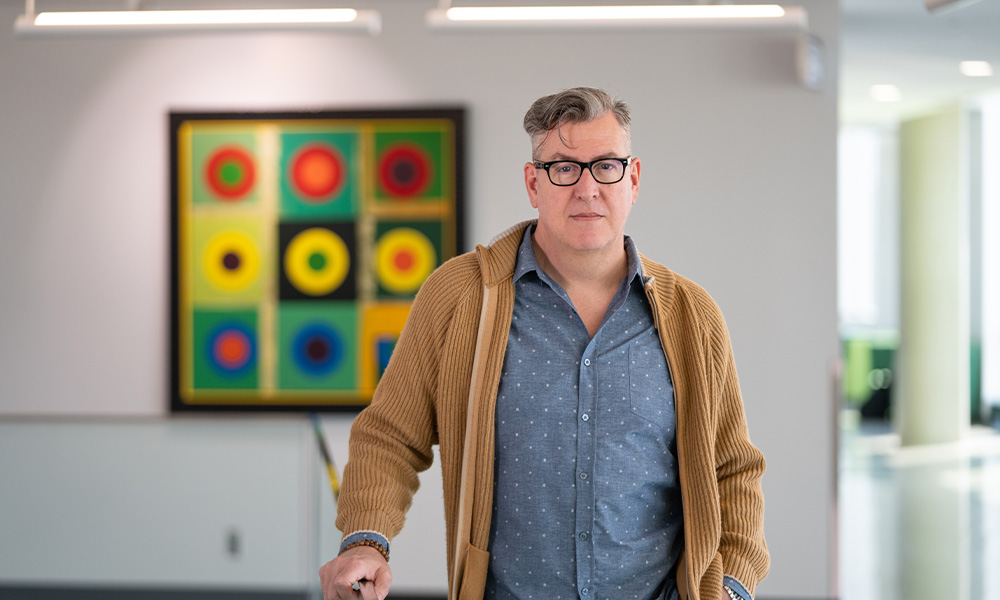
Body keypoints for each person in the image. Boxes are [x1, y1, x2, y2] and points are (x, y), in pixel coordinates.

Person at [319, 87, 769, 600]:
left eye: (606, 166)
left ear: (633, 179)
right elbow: (390, 437)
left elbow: (732, 467)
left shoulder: (692, 316)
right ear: (534, 183)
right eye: (563, 168)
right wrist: (365, 542)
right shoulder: (461, 297)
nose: (586, 188)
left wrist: (732, 586)